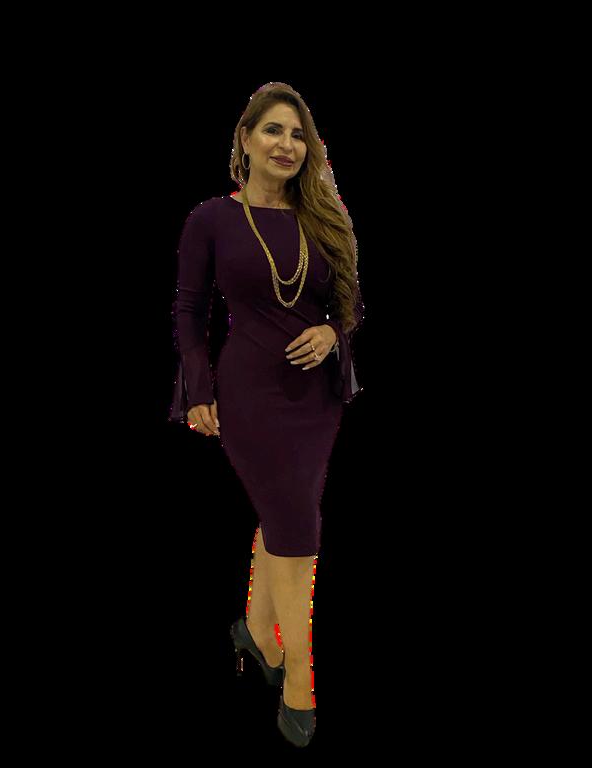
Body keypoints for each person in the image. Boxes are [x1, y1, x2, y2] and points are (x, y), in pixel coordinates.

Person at [169, 82, 364, 747]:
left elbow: (348, 304)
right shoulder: (211, 219)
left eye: (298, 133)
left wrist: (333, 332)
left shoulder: (323, 216)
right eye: (274, 130)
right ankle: (300, 674)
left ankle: (254, 631)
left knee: (289, 514)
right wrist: (197, 390)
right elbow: (190, 310)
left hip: (316, 399)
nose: (287, 144)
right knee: (295, 521)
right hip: (250, 395)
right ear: (246, 139)